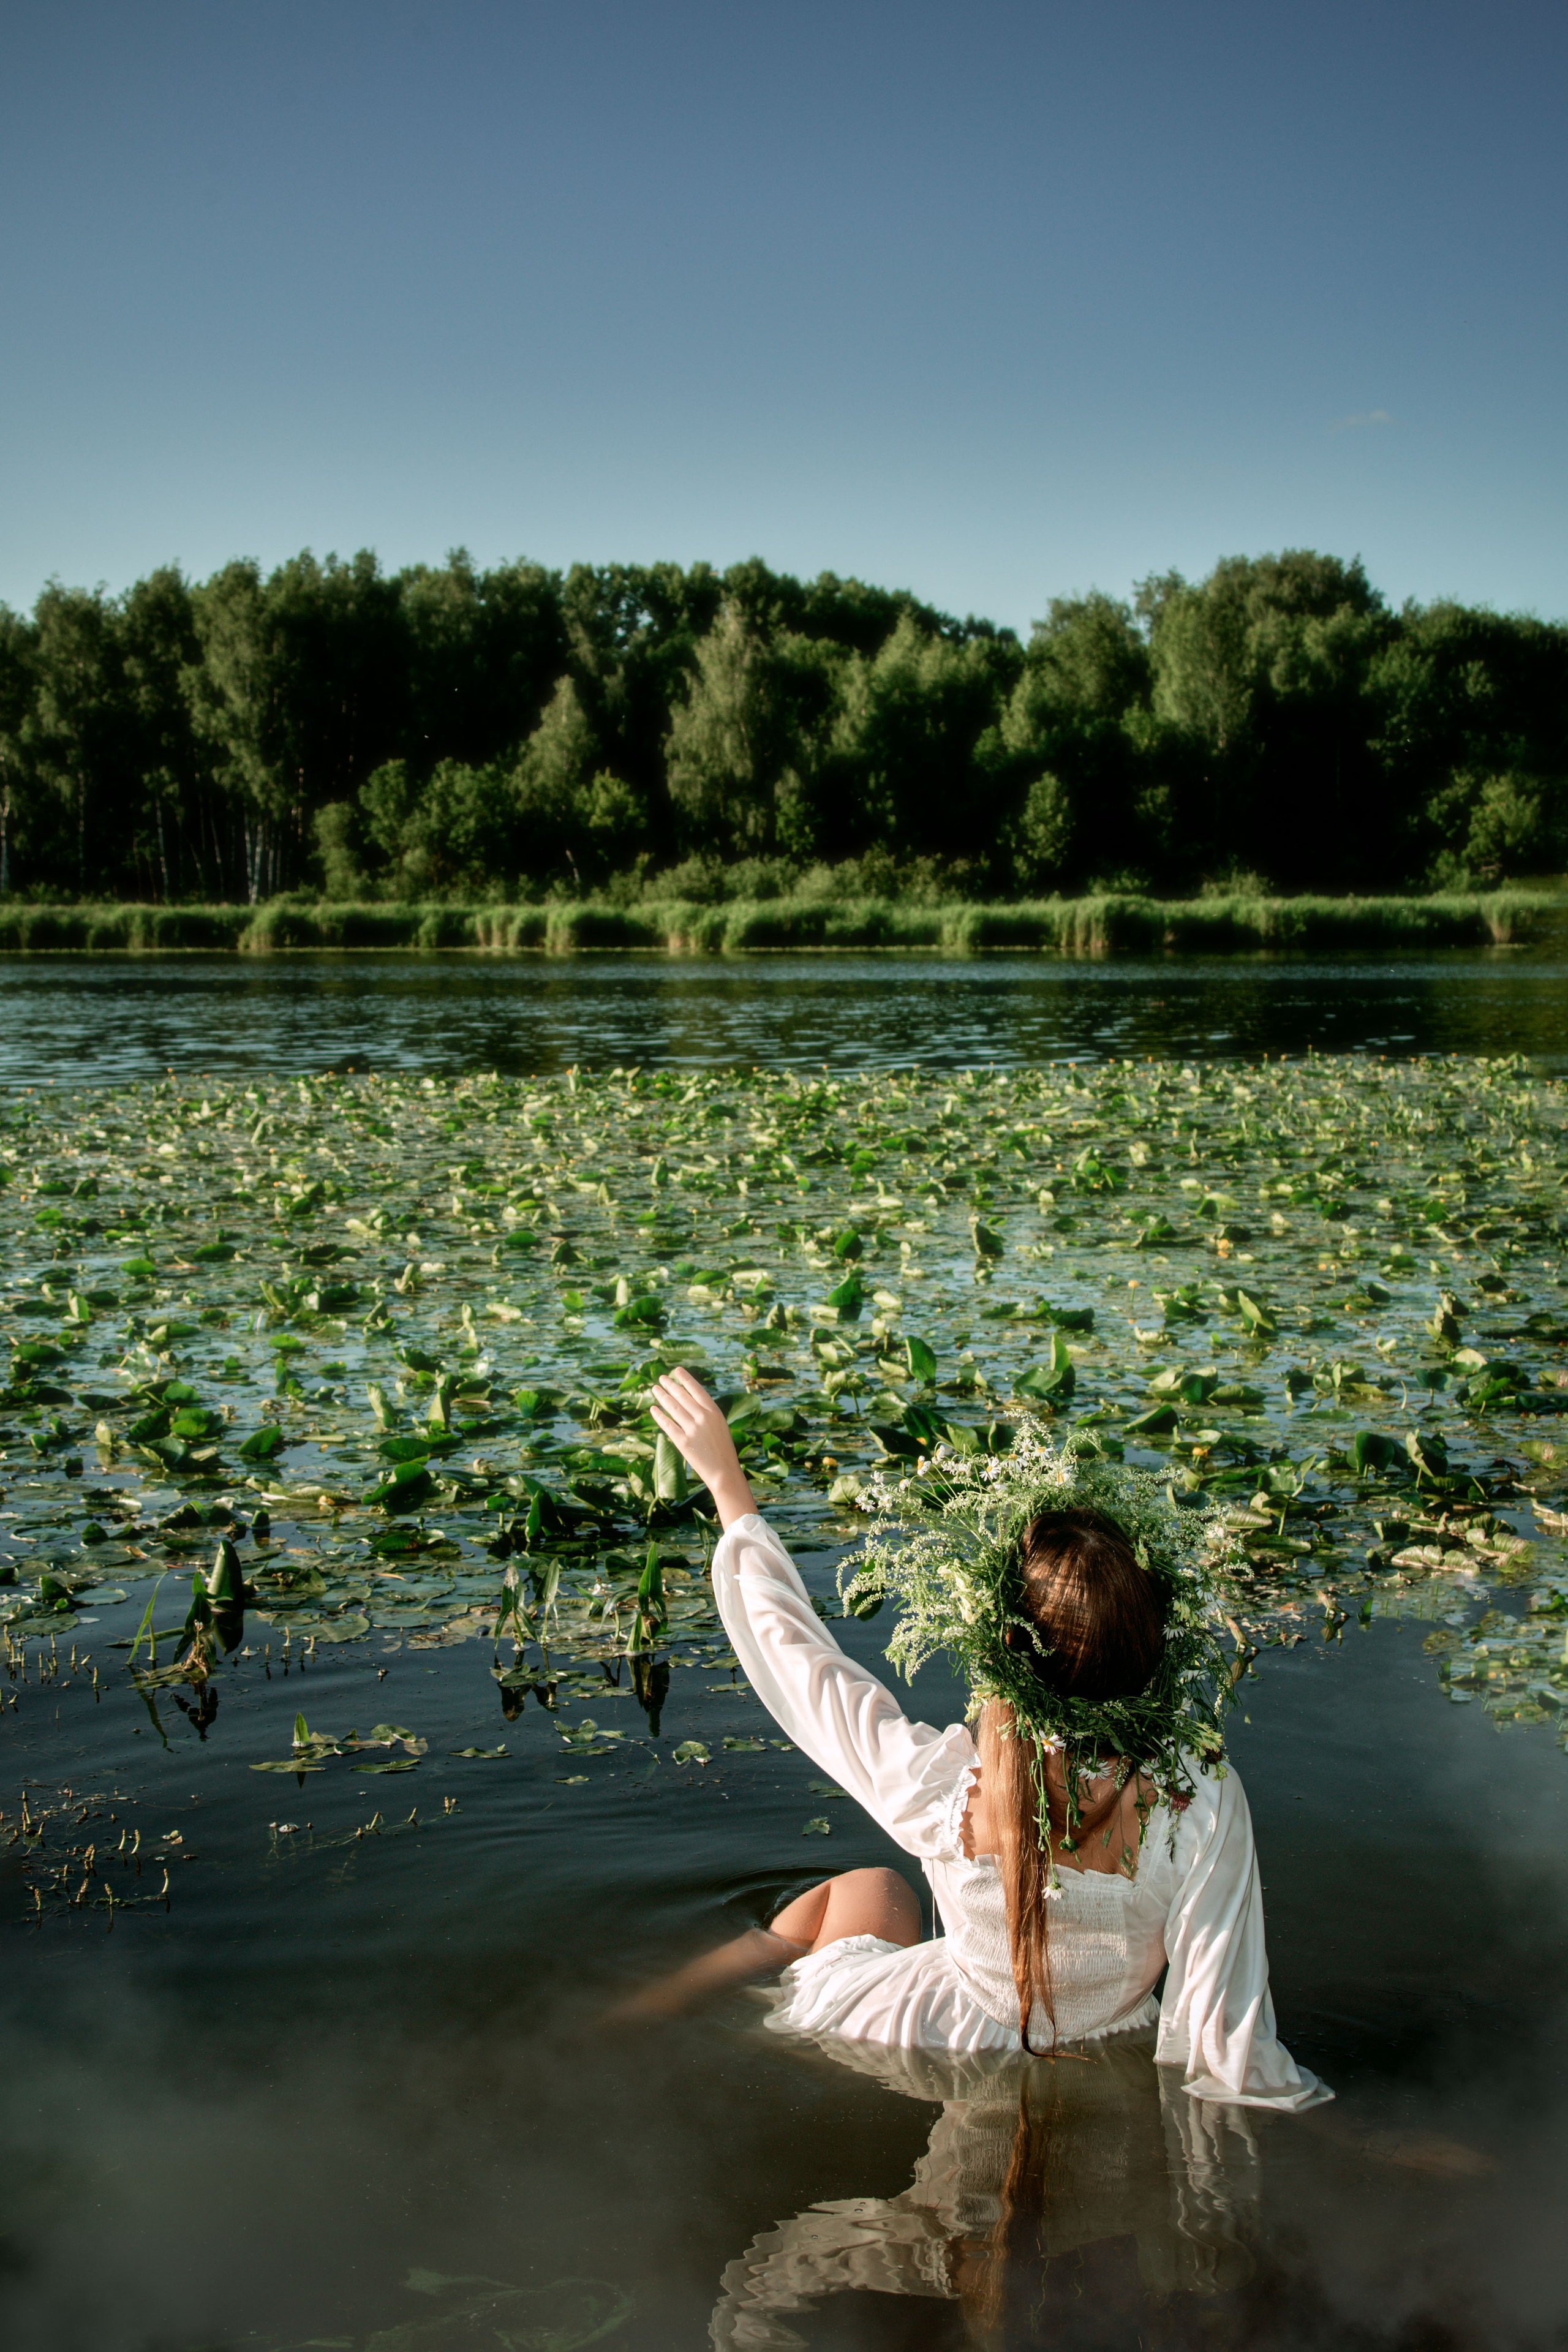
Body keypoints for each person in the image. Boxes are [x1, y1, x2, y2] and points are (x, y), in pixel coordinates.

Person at [641, 1366, 1329, 2114]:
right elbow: (1221, 2025)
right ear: (1151, 1650)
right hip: (1111, 2046)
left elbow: (801, 1663)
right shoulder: (1197, 1799)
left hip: (925, 2037)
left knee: (869, 1889)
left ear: (1005, 1645)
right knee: (884, 1894)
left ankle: (648, 2006)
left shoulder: (946, 1785)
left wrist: (728, 1488)